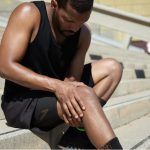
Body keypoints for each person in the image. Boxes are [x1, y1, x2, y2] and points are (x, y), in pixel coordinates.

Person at [0, 0, 123, 149]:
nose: (75, 28)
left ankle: (75, 136)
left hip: (55, 98)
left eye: (82, 21)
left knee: (113, 68)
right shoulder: (29, 14)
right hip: (23, 103)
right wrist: (57, 86)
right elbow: (4, 66)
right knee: (84, 94)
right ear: (54, 4)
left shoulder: (83, 34)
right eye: (69, 20)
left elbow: (72, 81)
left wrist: (70, 96)